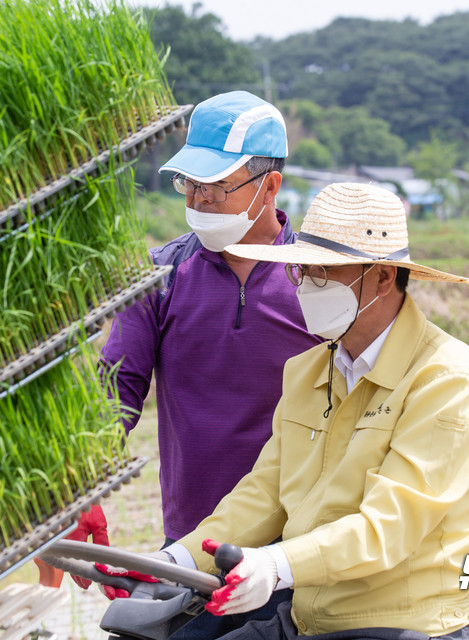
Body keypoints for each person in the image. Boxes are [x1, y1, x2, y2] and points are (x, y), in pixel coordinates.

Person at [152, 182, 469, 639]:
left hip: (401, 625)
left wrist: (275, 565)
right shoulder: (308, 371)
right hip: (308, 619)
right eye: (302, 270)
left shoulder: (447, 380)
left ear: (382, 277)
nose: (306, 283)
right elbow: (265, 493)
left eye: (326, 270)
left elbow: (388, 528)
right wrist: (173, 561)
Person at [85, 91, 323, 637]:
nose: (200, 200)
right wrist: (82, 489)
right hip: (193, 552)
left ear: (270, 186)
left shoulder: (317, 281)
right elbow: (116, 386)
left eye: (217, 186)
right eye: (191, 184)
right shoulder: (161, 276)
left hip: (300, 555)